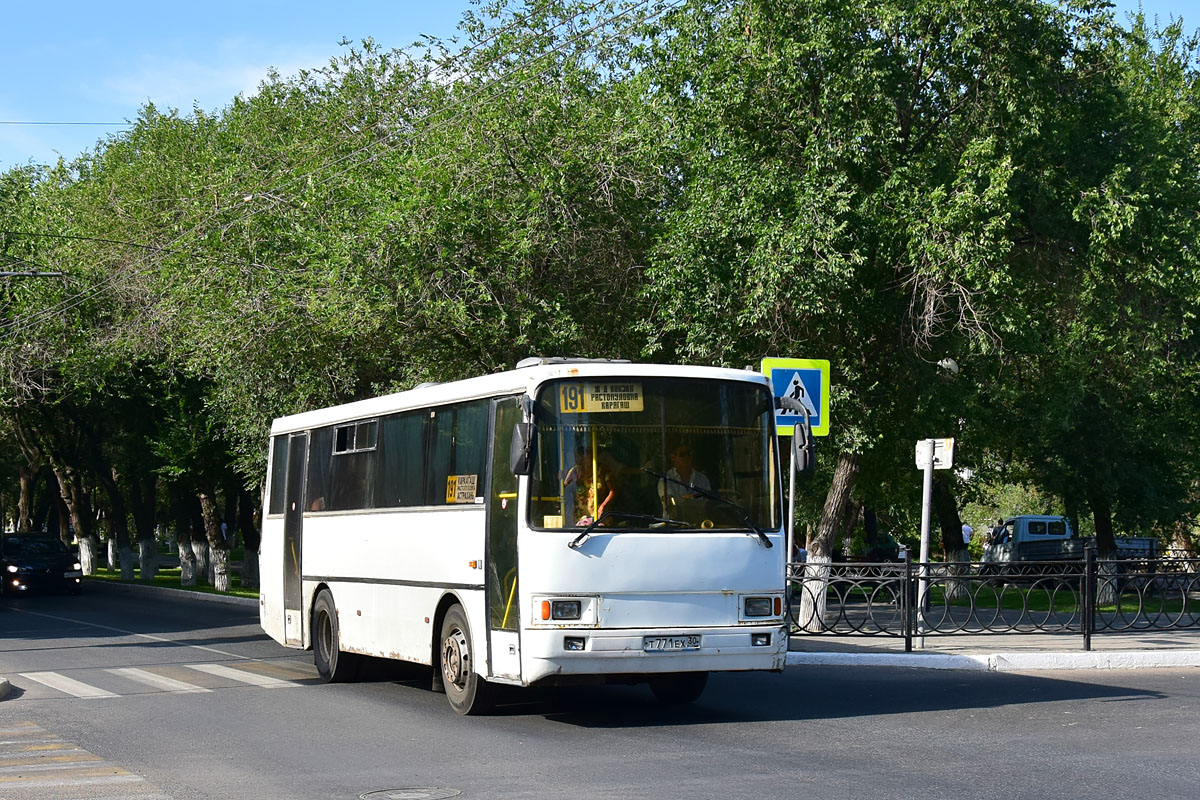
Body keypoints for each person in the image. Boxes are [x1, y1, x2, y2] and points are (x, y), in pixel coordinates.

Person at [659, 443, 711, 512]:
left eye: (689, 454)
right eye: (682, 455)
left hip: (699, 521)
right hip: (675, 522)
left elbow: (709, 503)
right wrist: (685, 501)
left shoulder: (703, 479)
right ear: (673, 457)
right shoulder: (665, 479)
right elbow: (668, 501)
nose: (687, 457)